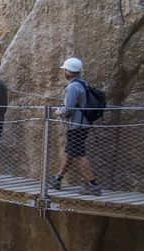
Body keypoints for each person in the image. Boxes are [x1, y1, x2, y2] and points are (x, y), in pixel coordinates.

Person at [48, 57, 101, 196]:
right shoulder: (83, 83)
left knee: (79, 155)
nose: (64, 72)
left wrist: (58, 112)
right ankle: (57, 179)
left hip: (76, 126)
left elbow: (68, 109)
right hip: (83, 125)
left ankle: (93, 185)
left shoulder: (72, 87)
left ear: (69, 72)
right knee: (70, 153)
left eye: (65, 70)